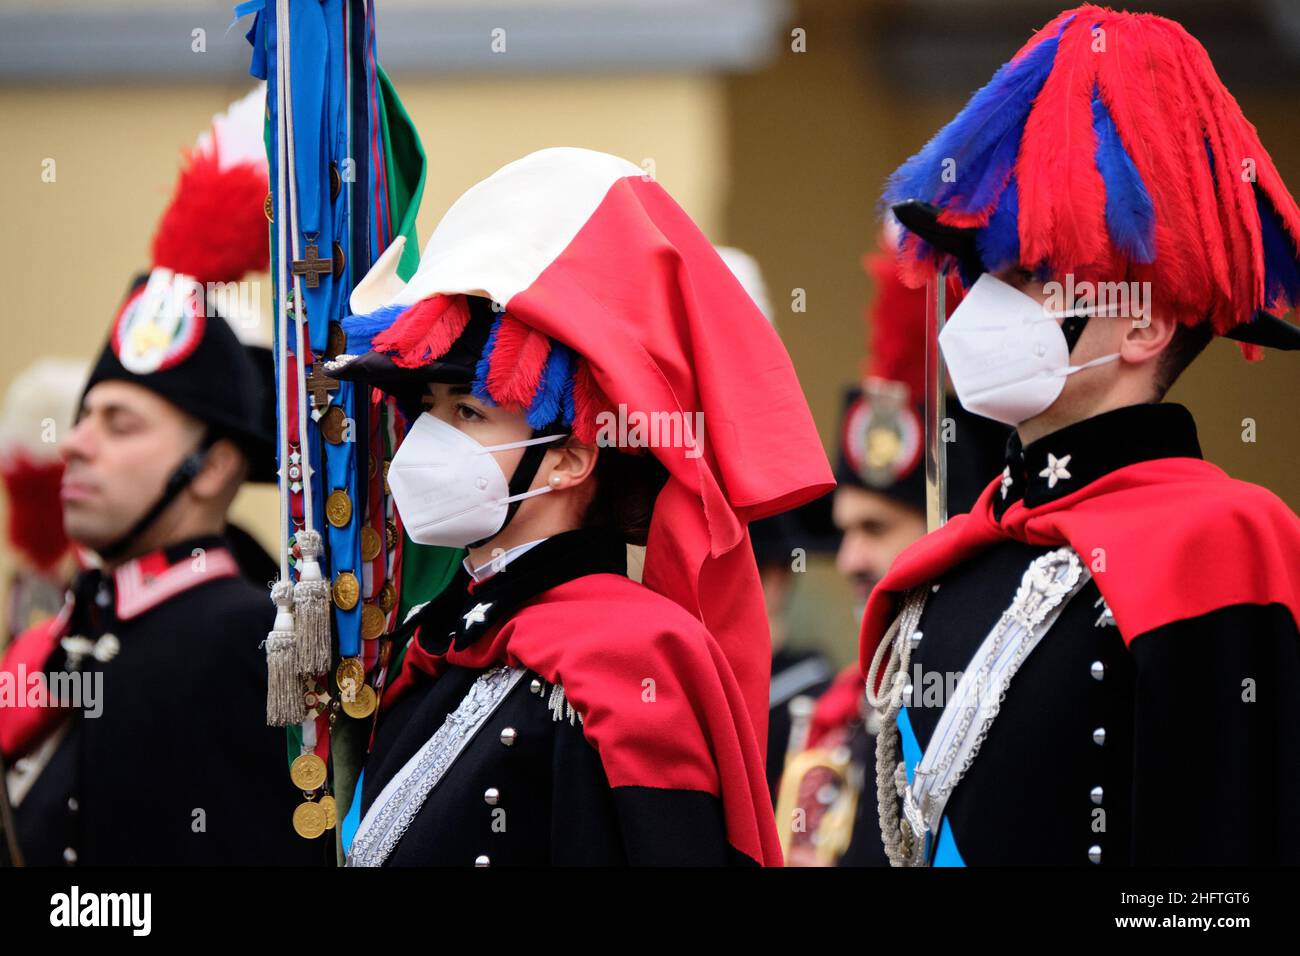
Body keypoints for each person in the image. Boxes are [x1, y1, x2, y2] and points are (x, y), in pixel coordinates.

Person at [861, 5, 1300, 865]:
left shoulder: (1225, 540)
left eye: (1033, 273)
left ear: (1143, 324)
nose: (987, 302)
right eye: (988, 271)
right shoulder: (959, 561)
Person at [329, 146, 833, 866]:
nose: (430, 438)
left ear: (569, 457)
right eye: (428, 409)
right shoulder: (442, 636)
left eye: (468, 412)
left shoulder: (635, 653)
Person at [0, 90, 321, 866]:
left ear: (212, 468)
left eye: (121, 425)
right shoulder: (89, 621)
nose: (77, 446)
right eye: (84, 418)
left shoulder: (240, 637)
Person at [776, 232, 1006, 866]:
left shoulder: (986, 694)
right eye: (844, 532)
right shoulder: (842, 707)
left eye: (875, 529)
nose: (849, 560)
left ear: (948, 529)